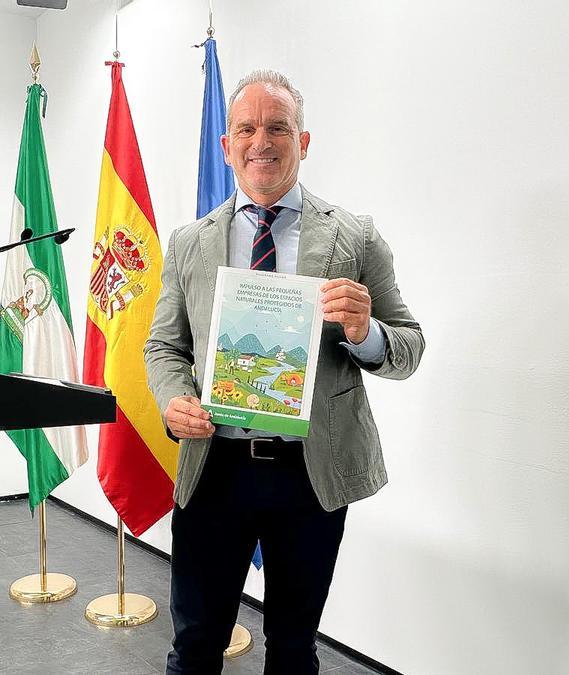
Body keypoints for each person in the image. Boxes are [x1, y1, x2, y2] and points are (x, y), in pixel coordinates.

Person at [144, 69, 425, 674]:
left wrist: (365, 333)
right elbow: (164, 345)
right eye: (246, 129)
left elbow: (410, 346)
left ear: (304, 140)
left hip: (310, 474)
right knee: (195, 646)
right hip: (214, 467)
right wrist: (174, 399)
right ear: (227, 146)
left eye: (278, 127)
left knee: (295, 649)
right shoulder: (190, 242)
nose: (261, 142)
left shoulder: (355, 237)